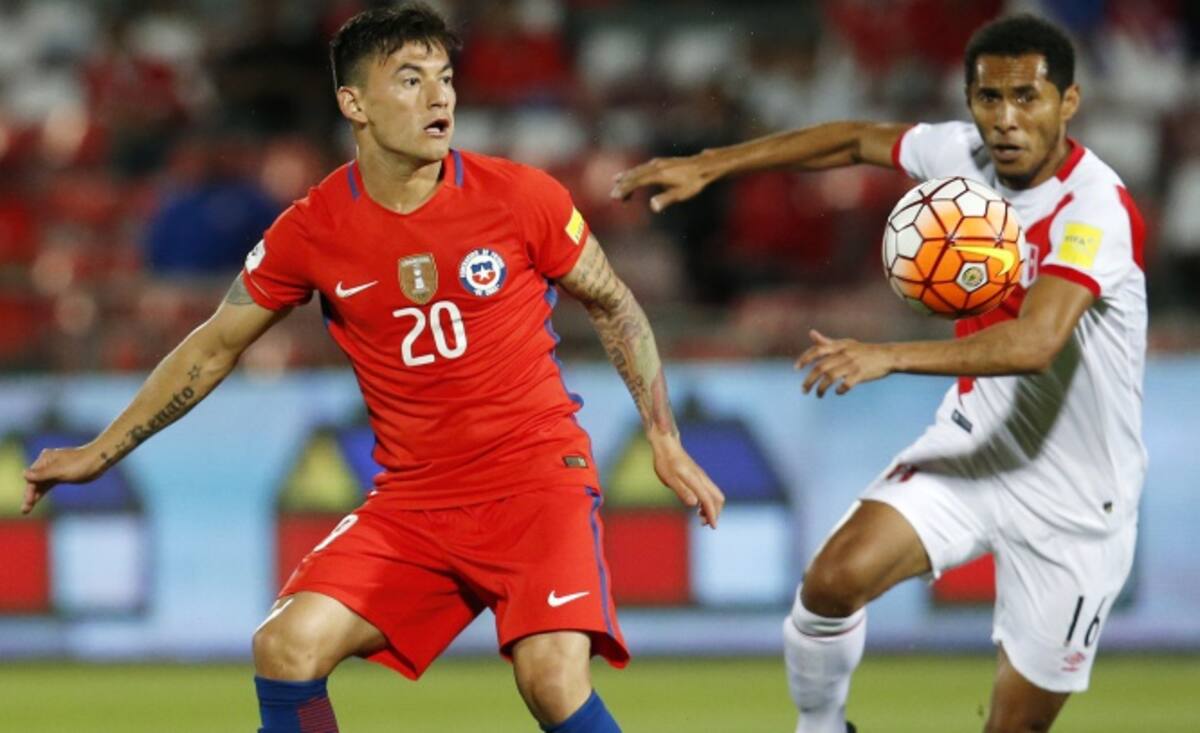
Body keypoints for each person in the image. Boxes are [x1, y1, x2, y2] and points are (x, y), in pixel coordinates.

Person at [21, 5, 724, 733]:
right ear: (353, 103)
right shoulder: (313, 228)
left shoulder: (521, 196)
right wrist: (100, 451)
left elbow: (614, 302)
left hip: (536, 483)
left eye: (445, 78)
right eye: (411, 80)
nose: (439, 97)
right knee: (285, 646)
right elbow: (213, 345)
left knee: (550, 679)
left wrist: (663, 435)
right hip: (416, 500)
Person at [613, 13, 1144, 733]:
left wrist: (889, 354)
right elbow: (855, 140)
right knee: (832, 583)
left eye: (1027, 97)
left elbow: (1036, 342)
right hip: (975, 445)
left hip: (1079, 495)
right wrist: (714, 163)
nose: (1006, 118)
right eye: (989, 98)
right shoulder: (962, 155)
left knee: (1013, 727)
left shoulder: (1095, 209)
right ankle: (821, 726)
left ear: (1068, 102)